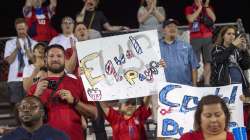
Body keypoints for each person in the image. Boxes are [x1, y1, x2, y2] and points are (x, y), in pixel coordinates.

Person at [28, 44, 97, 140]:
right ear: (45, 60)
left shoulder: (77, 83)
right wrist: (36, 95)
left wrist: (74, 101)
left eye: (59, 56)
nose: (55, 59)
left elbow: (94, 114)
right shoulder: (35, 88)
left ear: (65, 60)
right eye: (51, 56)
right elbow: (27, 118)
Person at [0, 96, 69, 140]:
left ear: (42, 112)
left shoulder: (58, 136)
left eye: (33, 106)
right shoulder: (8, 138)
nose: (26, 110)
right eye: (23, 107)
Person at [4, 18, 37, 105]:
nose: (21, 31)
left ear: (27, 28)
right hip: (14, 79)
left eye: (23, 28)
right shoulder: (10, 43)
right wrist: (17, 48)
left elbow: (36, 62)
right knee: (17, 106)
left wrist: (29, 52)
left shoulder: (34, 43)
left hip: (30, 78)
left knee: (30, 103)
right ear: (16, 29)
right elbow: (9, 61)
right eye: (19, 29)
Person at [185, 0, 216, 86]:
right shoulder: (189, 8)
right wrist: (200, 8)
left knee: (208, 61)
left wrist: (205, 7)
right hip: (195, 37)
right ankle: (194, 83)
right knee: (195, 62)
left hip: (207, 36)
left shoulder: (207, 8)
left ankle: (207, 83)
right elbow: (191, 19)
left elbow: (213, 19)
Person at [211, 25, 250, 94]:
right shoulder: (217, 48)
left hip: (239, 86)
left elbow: (245, 66)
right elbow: (220, 59)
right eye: (229, 34)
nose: (232, 36)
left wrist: (244, 51)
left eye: (233, 34)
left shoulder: (236, 50)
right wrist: (233, 45)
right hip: (224, 86)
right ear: (223, 36)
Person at [159, 18, 199, 86]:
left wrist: (194, 86)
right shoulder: (156, 47)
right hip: (164, 88)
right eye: (169, 26)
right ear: (163, 31)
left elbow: (194, 67)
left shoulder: (187, 46)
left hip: (185, 87)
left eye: (175, 27)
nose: (172, 28)